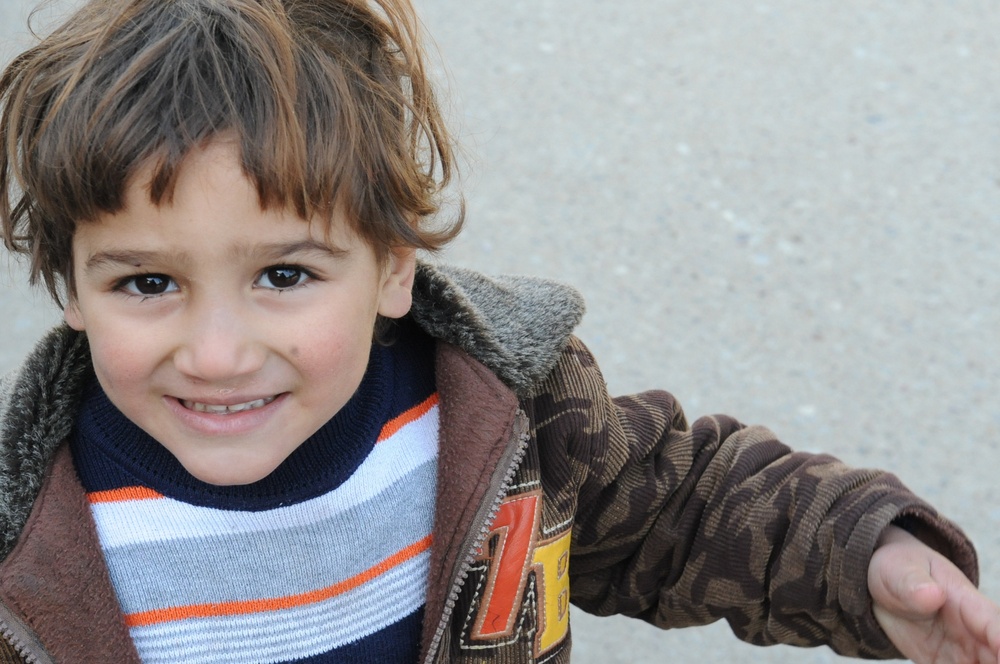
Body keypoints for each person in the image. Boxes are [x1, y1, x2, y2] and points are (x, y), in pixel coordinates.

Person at [0, 0, 997, 662]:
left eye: (285, 274)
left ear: (393, 265)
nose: (216, 353)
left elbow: (681, 508)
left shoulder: (506, 419)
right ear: (71, 286)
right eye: (147, 283)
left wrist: (866, 554)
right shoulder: (30, 541)